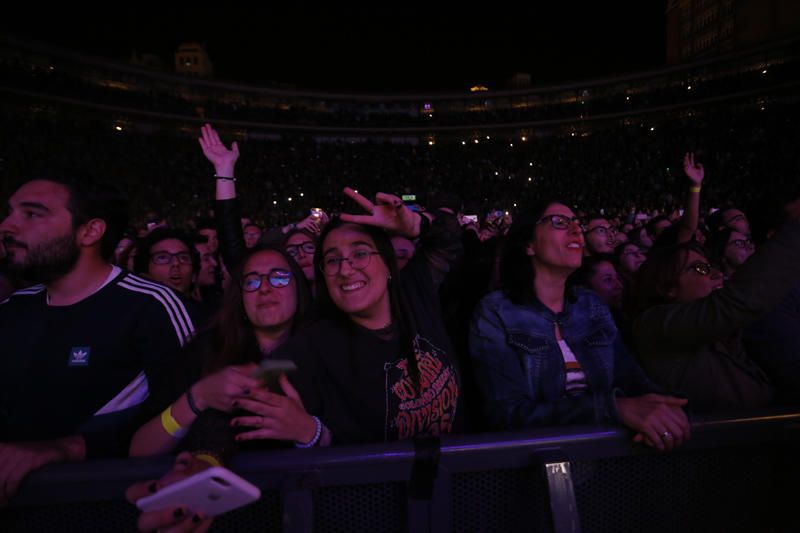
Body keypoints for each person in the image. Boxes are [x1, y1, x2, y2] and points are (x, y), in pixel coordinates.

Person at [0, 173, 196, 504]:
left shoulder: (152, 307)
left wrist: (69, 449)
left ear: (90, 231)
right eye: (10, 212)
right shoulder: (11, 311)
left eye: (31, 214)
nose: (7, 226)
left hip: (113, 510)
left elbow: (193, 415)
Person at [469, 201, 690, 451]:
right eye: (560, 222)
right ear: (528, 244)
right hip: (540, 466)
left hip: (609, 457)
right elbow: (506, 413)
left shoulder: (591, 305)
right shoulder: (496, 312)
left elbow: (629, 375)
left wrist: (663, 406)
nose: (576, 230)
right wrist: (614, 408)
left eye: (577, 223)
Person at [126, 244, 311, 532]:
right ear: (240, 298)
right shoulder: (202, 353)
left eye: (278, 277)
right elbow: (139, 448)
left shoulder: (323, 350)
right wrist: (197, 398)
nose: (264, 288)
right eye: (252, 280)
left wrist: (307, 431)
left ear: (299, 289)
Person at [269, 187, 463, 444]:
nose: (345, 270)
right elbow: (253, 385)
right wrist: (314, 434)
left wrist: (416, 223)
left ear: (387, 263)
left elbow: (450, 236)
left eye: (360, 253)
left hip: (461, 477)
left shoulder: (415, 293)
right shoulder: (310, 347)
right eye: (332, 260)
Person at [632, 197, 800, 411]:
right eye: (700, 268)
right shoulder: (654, 325)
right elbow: (732, 304)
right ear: (668, 288)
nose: (715, 273)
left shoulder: (726, 337)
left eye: (709, 265)